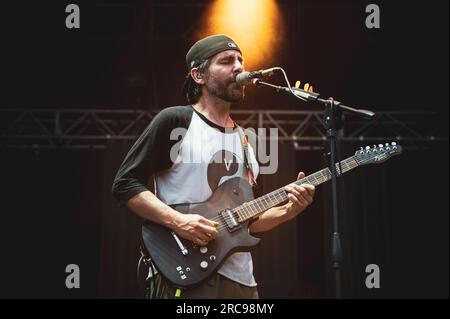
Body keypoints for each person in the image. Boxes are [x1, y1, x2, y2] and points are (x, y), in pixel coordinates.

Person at [111, 34, 315, 299]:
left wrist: (289, 210)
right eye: (227, 61)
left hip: (243, 282)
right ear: (198, 75)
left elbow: (248, 222)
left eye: (241, 60)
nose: (239, 67)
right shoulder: (176, 121)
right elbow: (125, 184)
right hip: (184, 273)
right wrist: (179, 222)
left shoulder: (246, 141)